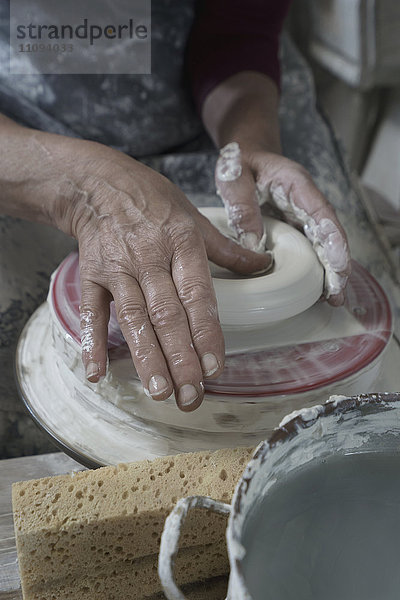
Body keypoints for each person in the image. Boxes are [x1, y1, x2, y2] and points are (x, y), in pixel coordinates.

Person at [0, 0, 350, 435]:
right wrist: (85, 189)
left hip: (218, 98)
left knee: (346, 286)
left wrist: (249, 145)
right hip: (22, 130)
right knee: (39, 380)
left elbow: (237, 29)